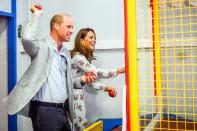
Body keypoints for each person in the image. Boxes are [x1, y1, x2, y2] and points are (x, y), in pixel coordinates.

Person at [3, 4, 96, 131]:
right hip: (44, 111)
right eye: (68, 27)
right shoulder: (41, 47)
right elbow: (27, 38)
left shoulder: (66, 53)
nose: (71, 31)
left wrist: (81, 80)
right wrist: (36, 15)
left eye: (72, 27)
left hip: (63, 110)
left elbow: (67, 82)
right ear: (56, 26)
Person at [70, 27, 125, 131]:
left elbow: (90, 82)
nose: (94, 40)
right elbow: (97, 72)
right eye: (91, 37)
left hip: (77, 99)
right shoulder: (78, 57)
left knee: (80, 126)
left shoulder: (82, 58)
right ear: (82, 40)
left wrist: (106, 88)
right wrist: (120, 70)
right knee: (79, 127)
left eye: (95, 37)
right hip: (72, 99)